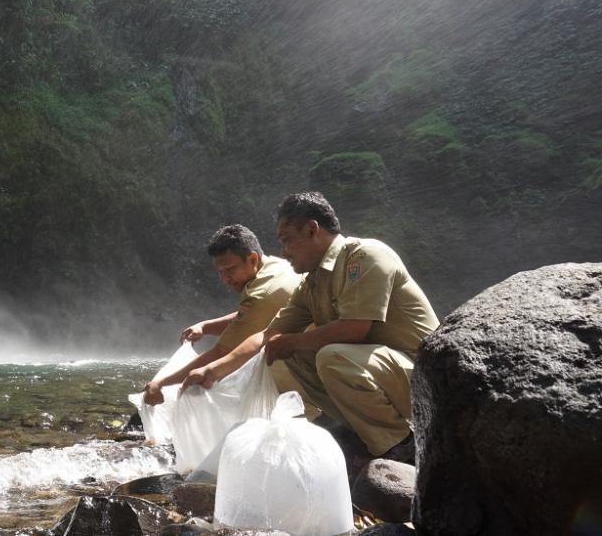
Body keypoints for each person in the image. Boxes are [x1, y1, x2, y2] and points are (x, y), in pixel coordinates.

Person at [181, 191, 439, 462]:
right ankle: (358, 430)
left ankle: (400, 443)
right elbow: (268, 335)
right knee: (284, 353)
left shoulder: (365, 256)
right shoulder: (312, 283)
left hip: (423, 379)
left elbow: (355, 328)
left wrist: (291, 341)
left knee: (326, 355)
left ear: (313, 229)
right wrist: (213, 370)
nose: (283, 252)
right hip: (385, 375)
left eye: (287, 240)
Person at [142, 224, 303, 405]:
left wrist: (161, 383)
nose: (225, 279)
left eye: (230, 269)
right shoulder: (277, 266)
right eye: (220, 272)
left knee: (225, 372)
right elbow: (252, 317)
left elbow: (222, 352)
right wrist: (206, 327)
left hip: (303, 381)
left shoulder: (262, 294)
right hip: (307, 359)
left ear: (252, 258)